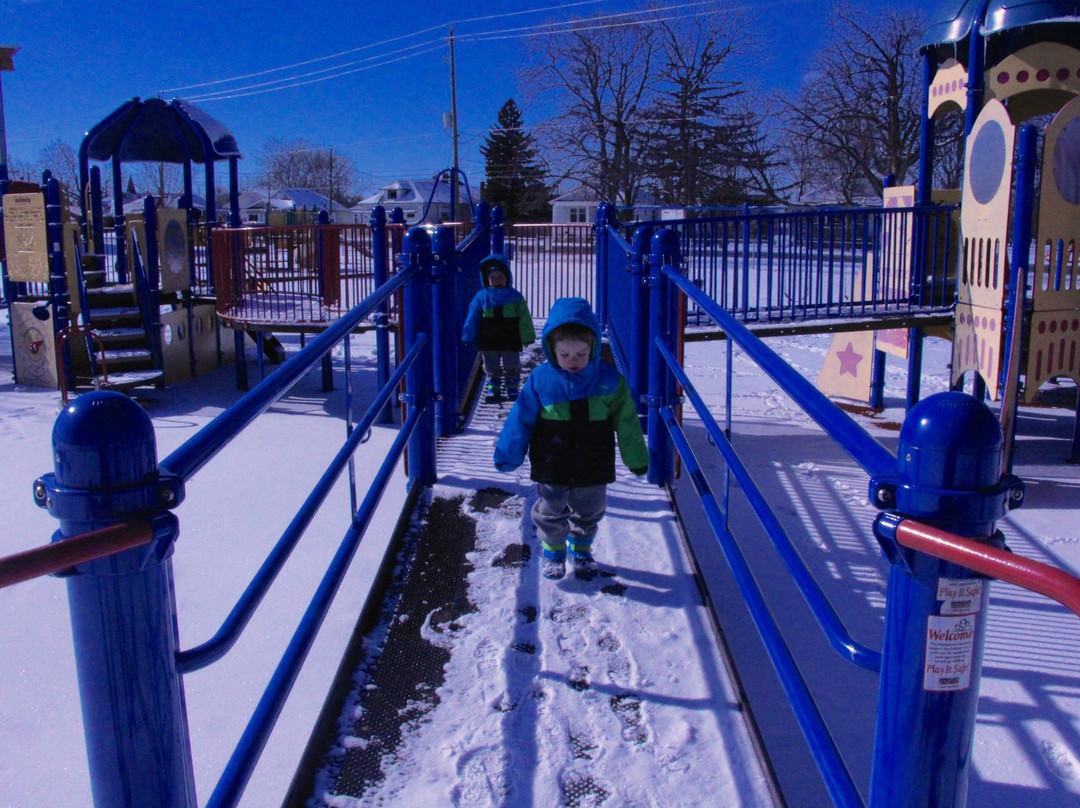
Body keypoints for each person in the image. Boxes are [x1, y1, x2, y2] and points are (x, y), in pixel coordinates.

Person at [493, 297, 649, 580]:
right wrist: (508, 453)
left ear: (593, 349)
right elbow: (521, 419)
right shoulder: (541, 380)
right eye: (564, 355)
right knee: (550, 510)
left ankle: (581, 549)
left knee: (590, 509)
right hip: (553, 459)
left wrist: (636, 457)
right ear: (552, 350)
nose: (572, 362)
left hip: (593, 460)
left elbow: (627, 423)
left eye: (580, 354)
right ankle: (553, 552)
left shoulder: (611, 381)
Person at [461, 253, 536, 403]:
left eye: (500, 277)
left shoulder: (515, 297)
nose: (497, 281)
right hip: (488, 336)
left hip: (509, 336)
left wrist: (527, 336)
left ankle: (512, 385)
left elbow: (524, 319)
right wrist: (468, 335)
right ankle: (493, 386)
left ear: (507, 277)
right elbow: (473, 317)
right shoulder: (482, 297)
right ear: (486, 279)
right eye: (493, 278)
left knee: (511, 363)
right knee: (490, 363)